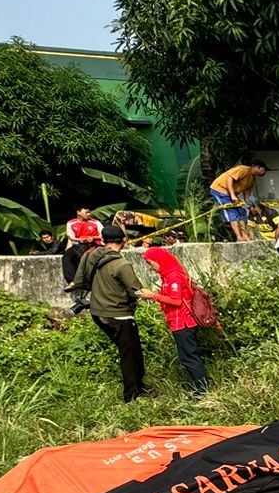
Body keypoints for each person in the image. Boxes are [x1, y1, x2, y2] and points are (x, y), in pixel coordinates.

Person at [75, 224, 149, 403]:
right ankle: (132, 395)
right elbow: (135, 291)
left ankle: (139, 385)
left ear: (103, 240)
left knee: (130, 350)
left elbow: (79, 281)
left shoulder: (89, 256)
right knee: (129, 354)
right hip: (119, 314)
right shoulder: (122, 264)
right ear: (124, 240)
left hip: (97, 312)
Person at [136, 246, 208, 396]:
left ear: (160, 260)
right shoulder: (168, 276)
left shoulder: (173, 277)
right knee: (187, 358)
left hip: (183, 323)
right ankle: (198, 389)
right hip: (178, 322)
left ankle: (202, 391)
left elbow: (176, 301)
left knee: (189, 358)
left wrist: (152, 296)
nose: (150, 267)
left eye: (151, 263)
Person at [209, 159, 268, 242]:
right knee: (232, 212)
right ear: (258, 167)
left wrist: (250, 205)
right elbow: (229, 178)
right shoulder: (244, 169)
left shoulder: (252, 179)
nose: (264, 173)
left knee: (242, 212)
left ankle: (244, 235)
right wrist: (233, 195)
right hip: (220, 190)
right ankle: (238, 237)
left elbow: (247, 194)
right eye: (263, 171)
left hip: (231, 195)